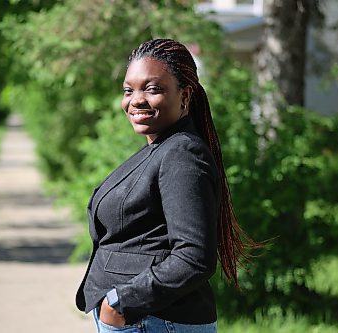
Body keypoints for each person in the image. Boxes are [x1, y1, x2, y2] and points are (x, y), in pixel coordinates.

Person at [76, 38, 250, 333]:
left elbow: (193, 257)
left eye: (152, 89)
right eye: (128, 90)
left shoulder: (182, 155)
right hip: (144, 319)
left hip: (154, 320)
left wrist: (121, 301)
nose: (136, 100)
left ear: (185, 96)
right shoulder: (161, 149)